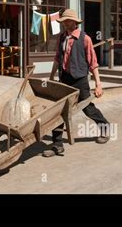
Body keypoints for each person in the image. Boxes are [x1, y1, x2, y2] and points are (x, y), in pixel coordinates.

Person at [43, 9, 110, 157]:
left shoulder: (85, 39)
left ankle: (105, 127)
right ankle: (57, 145)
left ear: (75, 22)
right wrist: (51, 77)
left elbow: (93, 63)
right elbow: (57, 58)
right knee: (59, 110)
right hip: (64, 79)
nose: (65, 24)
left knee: (87, 108)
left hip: (80, 80)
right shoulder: (61, 38)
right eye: (64, 21)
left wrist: (98, 85)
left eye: (68, 21)